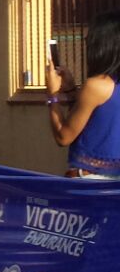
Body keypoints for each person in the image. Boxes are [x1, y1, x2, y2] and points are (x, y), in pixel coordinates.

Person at [49, 10, 120, 178]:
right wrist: (71, 91)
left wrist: (52, 95)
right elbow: (96, 119)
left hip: (90, 181)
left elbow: (63, 137)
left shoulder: (96, 86)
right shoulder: (106, 86)